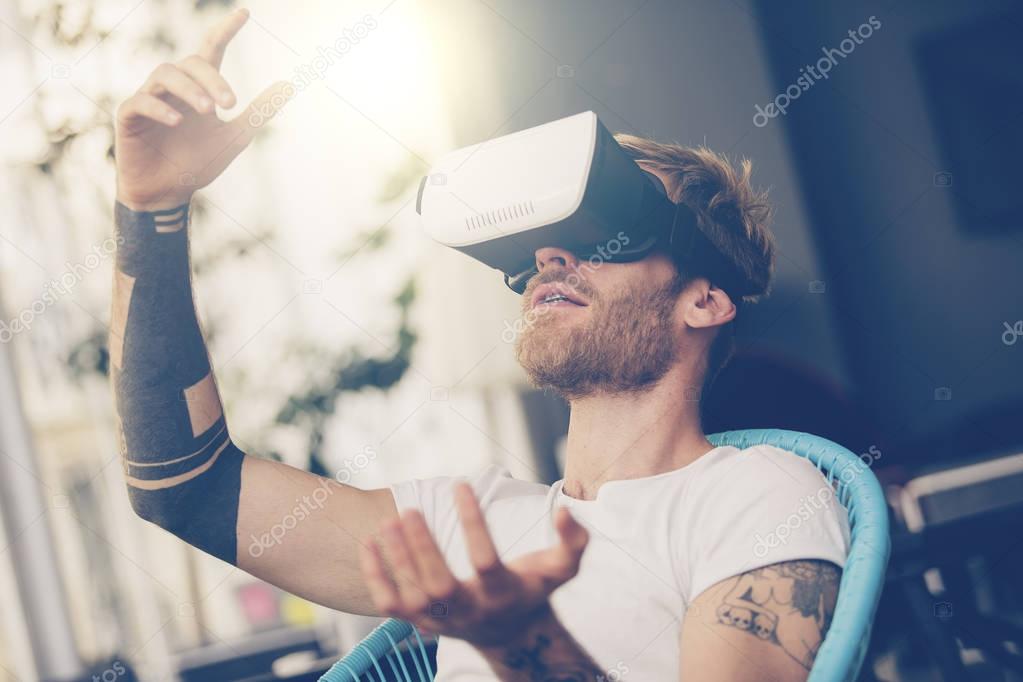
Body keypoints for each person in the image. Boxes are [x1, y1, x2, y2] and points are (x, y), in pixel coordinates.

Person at [110, 9, 849, 681]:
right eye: (539, 244)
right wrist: (153, 209)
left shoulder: (758, 494)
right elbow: (187, 491)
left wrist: (524, 644)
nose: (553, 257)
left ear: (705, 299)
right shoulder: (467, 521)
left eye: (604, 228)